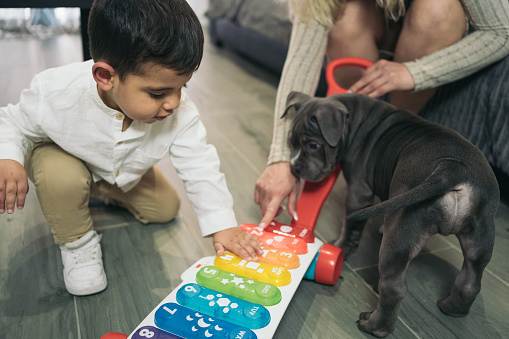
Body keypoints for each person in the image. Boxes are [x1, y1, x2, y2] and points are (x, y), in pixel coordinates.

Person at [0, 0, 262, 296]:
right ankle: (77, 242)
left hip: (117, 174)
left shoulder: (179, 112)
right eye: (159, 93)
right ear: (106, 77)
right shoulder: (55, 91)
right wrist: (8, 158)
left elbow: (199, 163)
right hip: (63, 161)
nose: (174, 103)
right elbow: (11, 121)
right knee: (60, 179)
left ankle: (97, 194)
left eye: (182, 88)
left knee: (166, 209)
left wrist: (222, 224)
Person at [255, 0, 509, 228]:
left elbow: (502, 31)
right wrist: (280, 158)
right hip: (373, 24)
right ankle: (358, 148)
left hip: (430, 26)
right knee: (343, 17)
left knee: (438, 7)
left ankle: (391, 150)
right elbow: (301, 59)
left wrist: (415, 73)